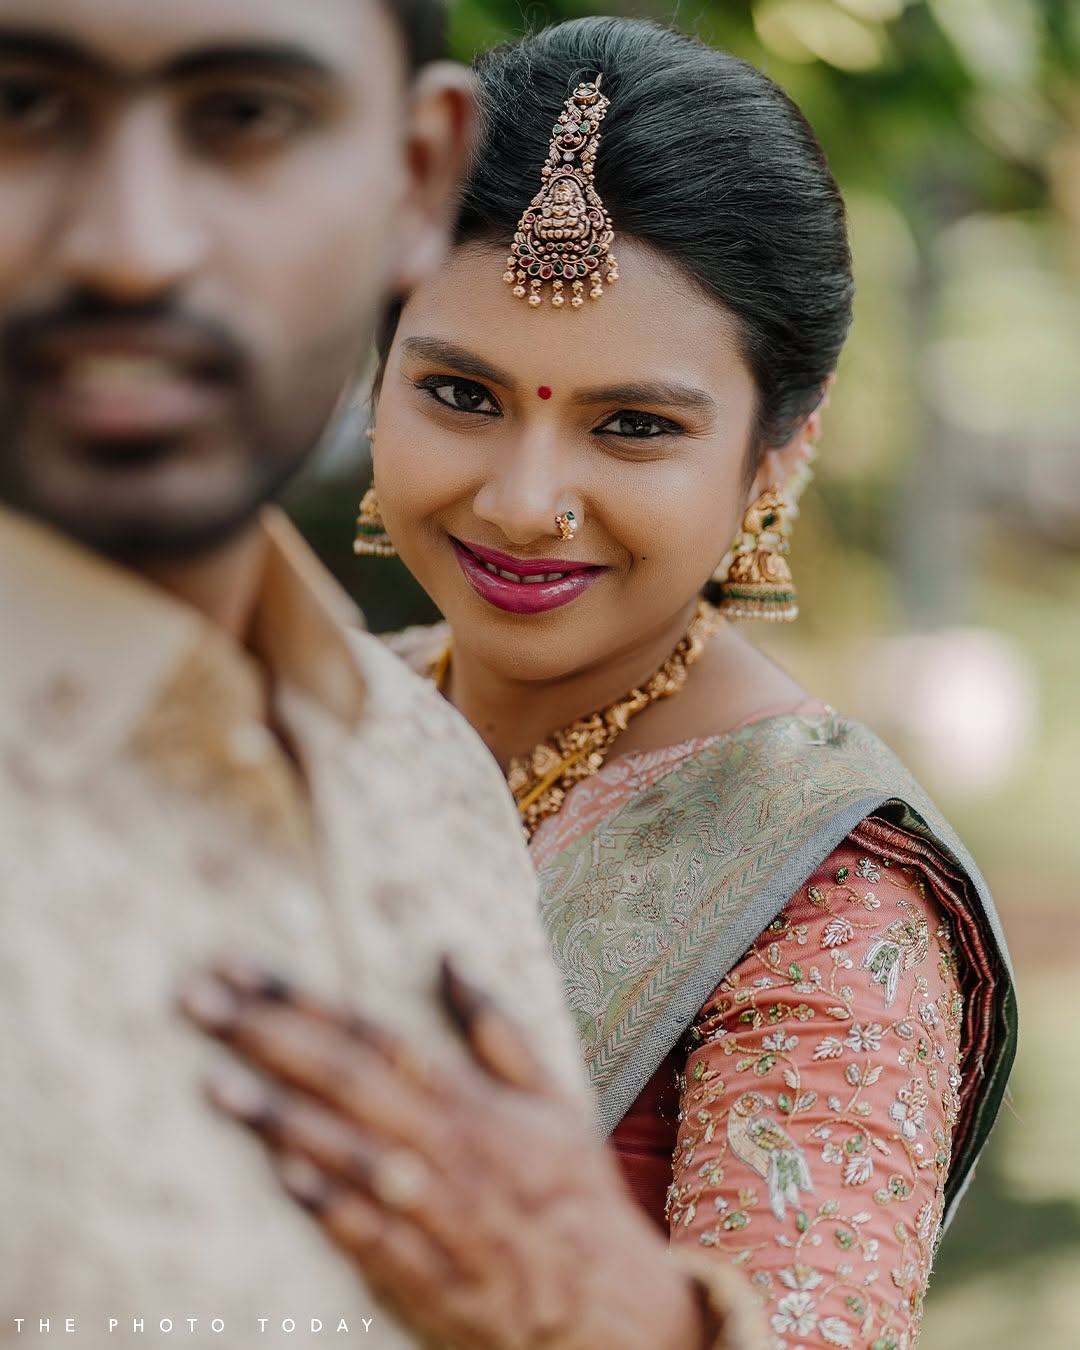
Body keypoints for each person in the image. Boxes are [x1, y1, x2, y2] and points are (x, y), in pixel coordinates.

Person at [192, 17, 1017, 1350]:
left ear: (771, 461)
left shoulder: (826, 894)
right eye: (460, 392)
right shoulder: (295, 722)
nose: (521, 502)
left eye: (633, 426)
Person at [0, 1, 617, 1345]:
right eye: (21, 104)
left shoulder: (425, 768)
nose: (128, 245)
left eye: (246, 115)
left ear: (416, 178)